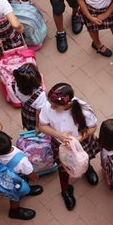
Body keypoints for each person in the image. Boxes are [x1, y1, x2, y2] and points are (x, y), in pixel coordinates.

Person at [37, 82, 100, 211]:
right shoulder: (48, 106)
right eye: (51, 104)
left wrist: (77, 139)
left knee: (86, 158)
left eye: (55, 106)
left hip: (81, 143)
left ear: (68, 104)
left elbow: (93, 127)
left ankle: (87, 169)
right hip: (60, 145)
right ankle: (65, 189)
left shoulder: (84, 110)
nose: (51, 107)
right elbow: (41, 126)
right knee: (63, 169)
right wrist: (58, 135)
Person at [0, 129, 44, 220]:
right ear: (9, 137)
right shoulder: (21, 161)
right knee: (14, 197)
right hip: (14, 182)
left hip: (1, 178)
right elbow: (30, 173)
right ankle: (14, 211)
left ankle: (24, 191)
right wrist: (35, 178)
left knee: (17, 190)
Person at [12, 63, 46, 130]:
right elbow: (38, 114)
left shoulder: (14, 83)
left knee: (29, 126)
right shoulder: (40, 96)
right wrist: (38, 126)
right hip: (34, 118)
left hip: (25, 112)